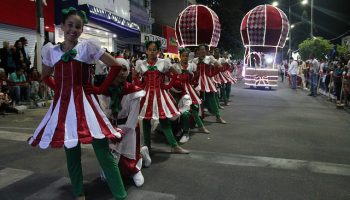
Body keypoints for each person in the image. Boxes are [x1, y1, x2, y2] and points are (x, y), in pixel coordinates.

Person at [27, 7, 127, 200]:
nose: (74, 29)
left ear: (82, 30)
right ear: (62, 26)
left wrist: (99, 89)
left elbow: (116, 65)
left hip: (87, 106)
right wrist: (59, 90)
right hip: (64, 108)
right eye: (70, 25)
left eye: (78, 26)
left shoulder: (86, 47)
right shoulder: (51, 51)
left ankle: (120, 195)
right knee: (71, 152)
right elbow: (45, 76)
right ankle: (79, 193)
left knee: (103, 151)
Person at [133, 40, 189, 154]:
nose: (152, 52)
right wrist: (140, 85)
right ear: (146, 51)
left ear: (158, 51)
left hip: (160, 95)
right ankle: (147, 146)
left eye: (155, 50)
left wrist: (168, 85)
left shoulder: (164, 62)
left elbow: (174, 74)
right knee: (146, 120)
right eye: (150, 50)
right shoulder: (141, 64)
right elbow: (134, 75)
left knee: (163, 119)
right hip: (146, 95)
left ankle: (174, 145)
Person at [98, 57, 148, 187]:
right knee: (110, 152)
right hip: (111, 127)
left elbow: (133, 117)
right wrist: (110, 129)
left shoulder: (134, 91)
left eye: (124, 69)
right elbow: (103, 113)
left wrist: (121, 131)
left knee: (127, 152)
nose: (120, 73)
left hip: (129, 127)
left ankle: (134, 170)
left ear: (128, 72)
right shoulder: (103, 90)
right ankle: (110, 169)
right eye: (117, 69)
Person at [171, 48, 210, 143]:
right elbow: (171, 79)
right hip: (178, 91)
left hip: (189, 91)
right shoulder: (175, 66)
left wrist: (194, 84)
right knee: (179, 112)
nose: (185, 58)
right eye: (183, 56)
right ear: (180, 56)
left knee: (192, 109)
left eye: (186, 56)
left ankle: (189, 131)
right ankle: (180, 130)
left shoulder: (192, 66)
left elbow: (195, 78)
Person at [192, 45, 226, 124]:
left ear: (206, 51)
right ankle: (200, 118)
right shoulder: (194, 60)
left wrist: (211, 74)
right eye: (201, 49)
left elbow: (219, 66)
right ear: (198, 51)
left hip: (207, 81)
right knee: (198, 100)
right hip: (197, 81)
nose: (202, 51)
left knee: (212, 98)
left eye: (204, 49)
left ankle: (218, 116)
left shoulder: (209, 58)